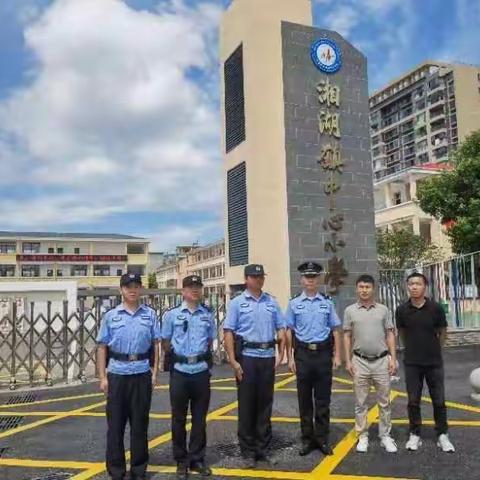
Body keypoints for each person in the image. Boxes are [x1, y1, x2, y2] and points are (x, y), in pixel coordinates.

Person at [96, 273, 161, 480]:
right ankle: (116, 471)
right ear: (121, 290)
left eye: (136, 285)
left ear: (140, 288)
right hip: (117, 373)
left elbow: (157, 344)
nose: (132, 289)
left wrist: (155, 372)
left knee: (139, 426)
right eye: (128, 286)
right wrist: (102, 377)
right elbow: (101, 346)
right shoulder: (111, 316)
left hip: (141, 373)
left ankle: (138, 470)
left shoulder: (149, 315)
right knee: (115, 427)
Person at [223, 264, 286, 468]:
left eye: (260, 276)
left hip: (267, 357)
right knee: (247, 405)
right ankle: (248, 451)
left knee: (265, 405)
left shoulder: (272, 302)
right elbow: (229, 333)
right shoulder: (237, 303)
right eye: (254, 276)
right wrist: (233, 361)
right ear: (246, 278)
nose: (258, 280)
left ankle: (263, 449)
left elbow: (281, 328)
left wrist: (282, 353)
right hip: (247, 358)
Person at [162, 275, 216, 479]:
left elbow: (210, 340)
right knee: (178, 418)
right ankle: (181, 461)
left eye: (198, 287)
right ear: (183, 291)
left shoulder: (207, 315)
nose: (195, 290)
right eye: (190, 287)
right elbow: (165, 342)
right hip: (180, 372)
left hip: (201, 371)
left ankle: (197, 459)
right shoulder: (172, 315)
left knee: (200, 419)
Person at [285, 261, 342, 457]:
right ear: (301, 280)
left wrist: (338, 355)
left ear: (318, 279)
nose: (310, 280)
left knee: (323, 399)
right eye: (307, 277)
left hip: (323, 354)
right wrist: (289, 357)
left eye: (313, 277)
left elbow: (335, 330)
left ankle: (322, 439)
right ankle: (307, 439)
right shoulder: (294, 303)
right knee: (304, 400)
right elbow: (289, 332)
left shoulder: (327, 302)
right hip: (302, 355)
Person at [395, 272, 455, 453]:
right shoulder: (402, 310)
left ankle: (442, 434)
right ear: (408, 287)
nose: (414, 287)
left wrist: (436, 348)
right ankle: (415, 433)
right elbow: (402, 334)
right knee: (413, 401)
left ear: (425, 286)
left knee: (439, 400)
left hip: (434, 363)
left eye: (418, 283)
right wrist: (412, 349)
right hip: (412, 363)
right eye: (411, 284)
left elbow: (443, 331)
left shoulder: (435, 308)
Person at [343, 274, 398, 454]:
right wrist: (348, 359)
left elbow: (390, 334)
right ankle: (363, 435)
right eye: (361, 287)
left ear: (373, 289)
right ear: (357, 289)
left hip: (382, 361)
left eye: (367, 287)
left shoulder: (383, 310)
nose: (364, 290)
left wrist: (393, 357)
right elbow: (346, 335)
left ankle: (385, 435)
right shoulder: (350, 310)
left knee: (384, 402)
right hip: (359, 361)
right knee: (361, 402)